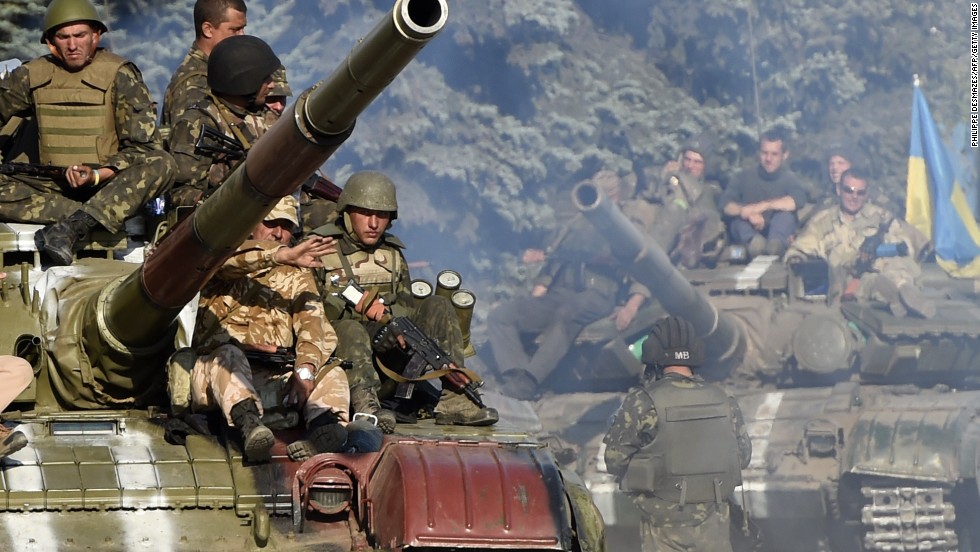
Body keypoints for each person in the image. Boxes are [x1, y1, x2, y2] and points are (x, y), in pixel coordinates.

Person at [310, 171, 498, 429]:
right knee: (350, 328)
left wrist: (391, 325)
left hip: (393, 363)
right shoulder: (320, 251)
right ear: (347, 212)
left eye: (382, 215)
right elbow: (311, 317)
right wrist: (372, 327)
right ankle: (366, 405)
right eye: (366, 213)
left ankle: (454, 399)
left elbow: (407, 306)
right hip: (343, 367)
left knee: (438, 304)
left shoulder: (392, 254)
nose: (374, 223)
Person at [0, 0, 175, 266]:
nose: (72, 45)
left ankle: (76, 226)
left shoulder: (120, 75)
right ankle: (84, 217)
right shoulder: (30, 75)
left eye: (80, 35)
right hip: (50, 186)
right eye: (63, 37)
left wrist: (98, 173)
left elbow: (144, 149)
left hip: (106, 187)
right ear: (50, 42)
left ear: (96, 35)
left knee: (163, 164)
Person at [189, 196, 351, 462]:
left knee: (332, 372)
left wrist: (305, 370)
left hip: (273, 377)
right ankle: (250, 428)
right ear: (251, 225)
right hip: (217, 379)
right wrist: (280, 255)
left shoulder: (297, 275)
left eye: (286, 226)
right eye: (270, 223)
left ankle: (324, 433)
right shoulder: (223, 260)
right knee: (227, 355)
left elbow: (313, 324)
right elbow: (226, 263)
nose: (278, 233)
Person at [488, 170, 651, 400]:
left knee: (568, 313)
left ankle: (530, 381)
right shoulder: (576, 226)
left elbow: (644, 270)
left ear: (614, 199)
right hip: (562, 293)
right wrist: (538, 293)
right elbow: (555, 261)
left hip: (598, 296)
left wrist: (632, 306)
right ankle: (516, 376)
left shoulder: (627, 228)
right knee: (502, 315)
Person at [603, 315, 752, 552]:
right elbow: (742, 456)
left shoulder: (643, 402)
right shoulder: (723, 399)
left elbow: (614, 460)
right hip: (713, 522)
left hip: (663, 526)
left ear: (653, 355)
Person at [784, 167, 935, 318]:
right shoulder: (822, 222)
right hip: (847, 279)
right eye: (849, 190)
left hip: (884, 269)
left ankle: (907, 292)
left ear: (866, 194)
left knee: (897, 267)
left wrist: (887, 247)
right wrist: (796, 259)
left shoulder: (881, 217)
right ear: (839, 190)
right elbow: (800, 249)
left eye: (860, 192)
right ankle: (894, 296)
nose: (854, 196)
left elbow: (908, 242)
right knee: (871, 283)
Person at [167, 34, 279, 207]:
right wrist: (220, 200)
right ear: (245, 80)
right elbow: (180, 194)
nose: (272, 85)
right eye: (265, 79)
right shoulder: (199, 123)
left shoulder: (262, 117)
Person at [634, 137, 725, 268]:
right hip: (655, 227)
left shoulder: (711, 189)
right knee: (641, 207)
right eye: (687, 160)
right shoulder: (672, 177)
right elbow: (648, 193)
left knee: (675, 209)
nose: (690, 166)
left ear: (706, 166)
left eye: (697, 162)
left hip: (687, 241)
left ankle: (649, 262)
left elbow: (702, 211)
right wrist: (664, 176)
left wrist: (680, 179)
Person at [719, 128, 806, 256]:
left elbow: (797, 200)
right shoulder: (743, 177)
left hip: (777, 232)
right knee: (737, 222)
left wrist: (760, 207)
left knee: (785, 216)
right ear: (759, 153)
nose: (768, 158)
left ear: (785, 155)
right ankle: (755, 244)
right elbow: (725, 204)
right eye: (765, 153)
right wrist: (746, 213)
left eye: (774, 154)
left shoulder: (789, 179)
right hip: (749, 234)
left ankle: (776, 246)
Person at [160, 0, 247, 128]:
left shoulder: (220, 71)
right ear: (208, 30)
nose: (242, 35)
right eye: (235, 30)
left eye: (243, 28)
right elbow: (188, 144)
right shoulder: (194, 86)